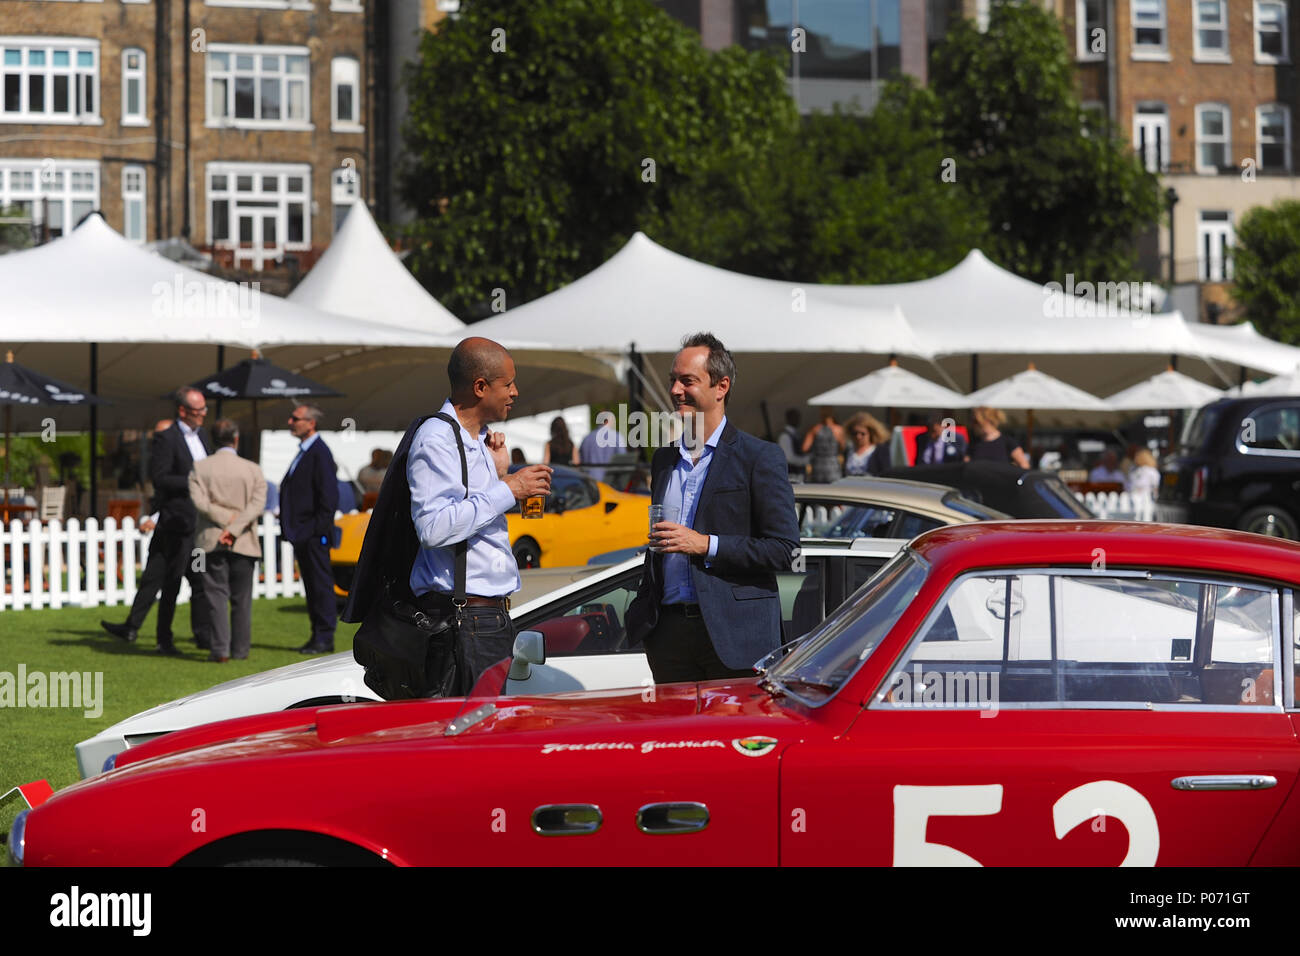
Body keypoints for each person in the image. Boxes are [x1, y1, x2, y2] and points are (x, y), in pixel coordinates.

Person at [625, 333, 800, 683]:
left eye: (687, 381)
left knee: (735, 737)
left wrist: (706, 544)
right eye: (673, 380)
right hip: (669, 636)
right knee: (677, 738)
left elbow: (785, 550)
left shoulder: (759, 457)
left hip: (735, 637)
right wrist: (646, 616)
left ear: (721, 386)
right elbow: (659, 548)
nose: (675, 390)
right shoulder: (663, 459)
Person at [403, 337, 553, 689]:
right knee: (474, 734)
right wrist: (509, 488)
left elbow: (471, 515)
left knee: (491, 731)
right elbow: (433, 527)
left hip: (485, 617)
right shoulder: (437, 438)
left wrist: (499, 475)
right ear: (480, 387)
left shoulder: (477, 440)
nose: (515, 392)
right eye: (508, 384)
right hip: (464, 619)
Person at [101, 391, 214, 655]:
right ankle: (164, 638)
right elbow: (161, 478)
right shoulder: (167, 438)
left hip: (197, 522)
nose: (203, 415)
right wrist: (195, 479)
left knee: (188, 579)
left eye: (204, 410)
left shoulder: (203, 437)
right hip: (177, 522)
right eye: (198, 411)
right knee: (170, 580)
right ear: (183, 411)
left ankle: (199, 635)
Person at [188, 418, 267, 662]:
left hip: (212, 540)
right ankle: (241, 650)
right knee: (242, 600)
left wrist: (225, 522)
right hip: (244, 540)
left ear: (212, 439)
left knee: (215, 596)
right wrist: (234, 525)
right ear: (236, 439)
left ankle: (220, 650)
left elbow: (200, 503)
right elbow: (257, 505)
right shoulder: (253, 469)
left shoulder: (199, 468)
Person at [279, 404, 340, 654]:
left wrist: (314, 531)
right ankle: (318, 634)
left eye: (296, 418)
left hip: (313, 533)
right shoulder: (307, 451)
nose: (290, 421)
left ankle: (324, 637)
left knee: (320, 585)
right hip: (305, 532)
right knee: (312, 585)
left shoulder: (319, 453)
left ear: (310, 423)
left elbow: (328, 498)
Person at [801, 407, 845, 483]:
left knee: (818, 489)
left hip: (818, 465)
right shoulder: (839, 430)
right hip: (833, 465)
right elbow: (843, 447)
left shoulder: (815, 429)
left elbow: (805, 448)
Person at [578, 416, 625, 483]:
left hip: (590, 481)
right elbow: (623, 460)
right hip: (610, 482)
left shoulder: (586, 438)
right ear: (607, 421)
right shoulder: (617, 437)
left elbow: (580, 461)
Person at [777, 408, 809, 480]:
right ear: (789, 419)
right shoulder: (785, 436)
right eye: (796, 417)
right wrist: (805, 460)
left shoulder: (794, 434)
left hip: (797, 474)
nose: (799, 420)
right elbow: (788, 458)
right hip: (791, 475)